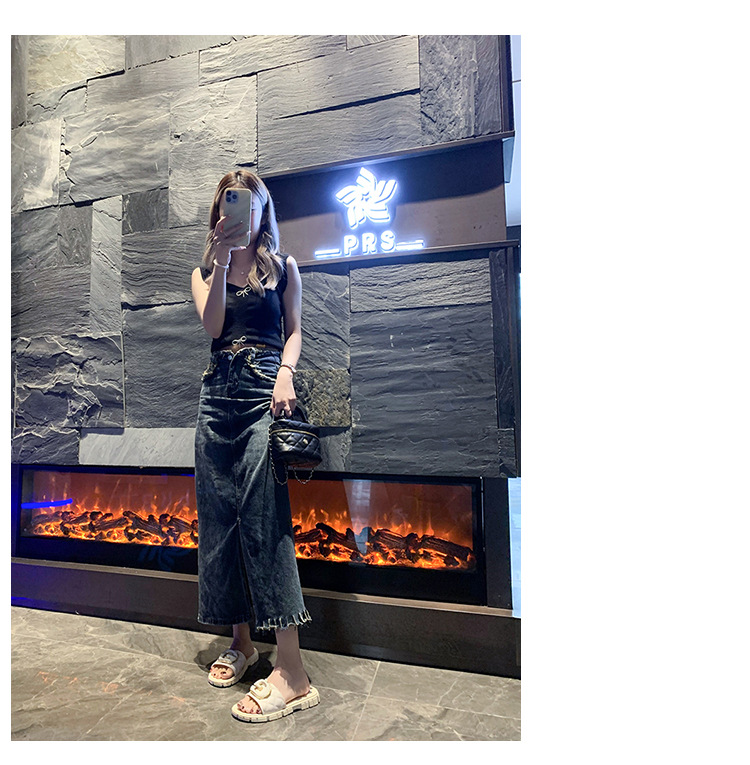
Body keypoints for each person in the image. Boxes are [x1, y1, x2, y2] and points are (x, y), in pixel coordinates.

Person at [190, 169, 319, 723]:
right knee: (220, 518)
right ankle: (241, 642)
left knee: (265, 517)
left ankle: (291, 668)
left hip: (265, 389)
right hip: (216, 395)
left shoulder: (283, 267)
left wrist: (286, 373)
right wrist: (220, 259)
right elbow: (213, 327)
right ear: (219, 211)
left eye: (248, 202)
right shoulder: (204, 272)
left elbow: (294, 330)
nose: (239, 210)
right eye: (230, 202)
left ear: (262, 210)